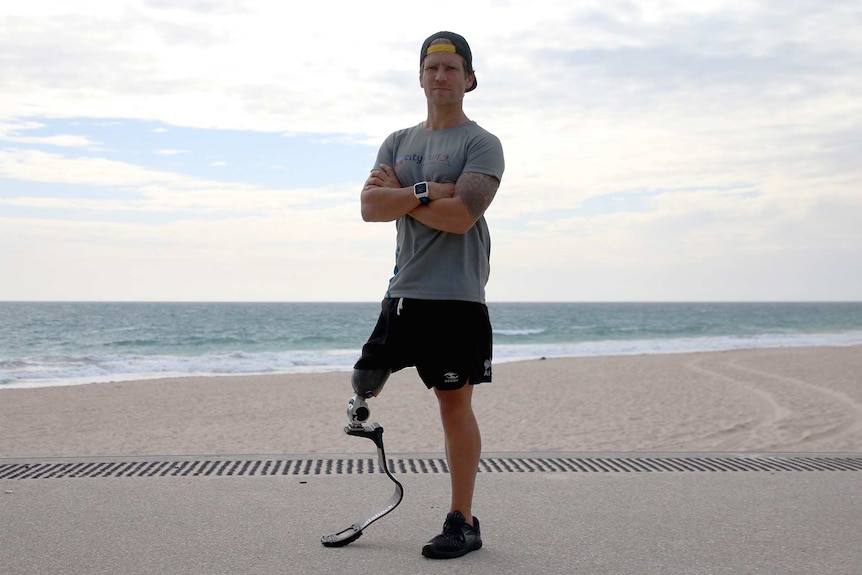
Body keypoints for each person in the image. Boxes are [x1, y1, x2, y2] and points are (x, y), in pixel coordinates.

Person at [351, 31, 504, 559]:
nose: (441, 76)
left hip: (456, 297)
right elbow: (369, 209)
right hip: (403, 292)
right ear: (420, 77)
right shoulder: (396, 141)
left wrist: (401, 196)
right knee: (364, 380)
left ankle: (463, 519)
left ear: (469, 79)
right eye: (432, 67)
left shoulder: (481, 144)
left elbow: (461, 217)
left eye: (452, 68)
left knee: (452, 405)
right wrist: (427, 190)